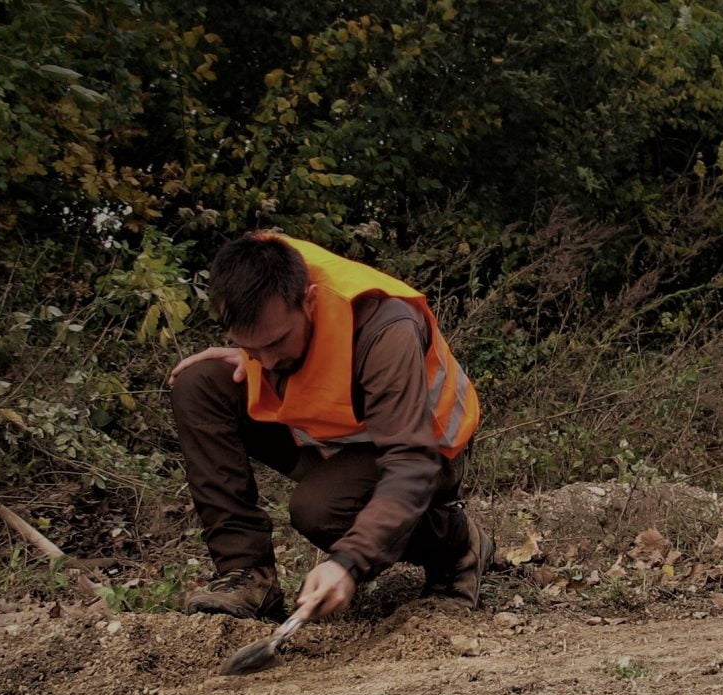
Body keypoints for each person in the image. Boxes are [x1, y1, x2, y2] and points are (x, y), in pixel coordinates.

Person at [165, 231, 492, 621]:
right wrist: (249, 352)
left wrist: (348, 562)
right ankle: (247, 575)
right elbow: (271, 350)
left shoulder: (386, 328)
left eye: (275, 342)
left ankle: (459, 544)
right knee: (199, 382)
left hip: (429, 449)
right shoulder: (258, 270)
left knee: (320, 510)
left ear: (310, 301)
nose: (265, 363)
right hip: (334, 438)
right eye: (252, 349)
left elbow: (410, 461)